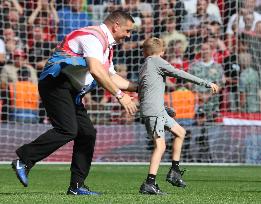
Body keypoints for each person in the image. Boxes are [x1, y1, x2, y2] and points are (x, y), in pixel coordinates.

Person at [11, 10, 138, 196]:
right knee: (68, 129)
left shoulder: (107, 46)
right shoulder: (93, 37)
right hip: (55, 82)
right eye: (127, 31)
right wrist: (120, 95)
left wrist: (137, 87)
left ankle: (76, 186)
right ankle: (24, 160)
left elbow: (110, 76)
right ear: (116, 26)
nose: (129, 35)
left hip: (69, 89)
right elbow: (96, 70)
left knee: (87, 133)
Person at [138, 37, 219, 195]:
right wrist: (206, 83)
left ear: (144, 51)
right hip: (154, 111)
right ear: (162, 52)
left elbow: (145, 90)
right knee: (160, 146)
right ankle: (149, 183)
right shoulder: (156, 60)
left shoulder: (144, 65)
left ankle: (174, 171)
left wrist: (163, 108)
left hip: (157, 109)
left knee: (180, 132)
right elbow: (179, 73)